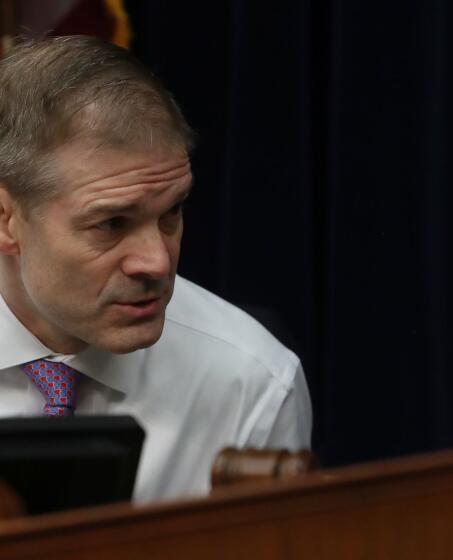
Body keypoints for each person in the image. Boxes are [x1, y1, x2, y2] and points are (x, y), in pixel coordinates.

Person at [0, 36, 312, 502]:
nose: (157, 261)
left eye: (171, 212)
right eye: (111, 223)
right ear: (7, 220)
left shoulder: (252, 383)